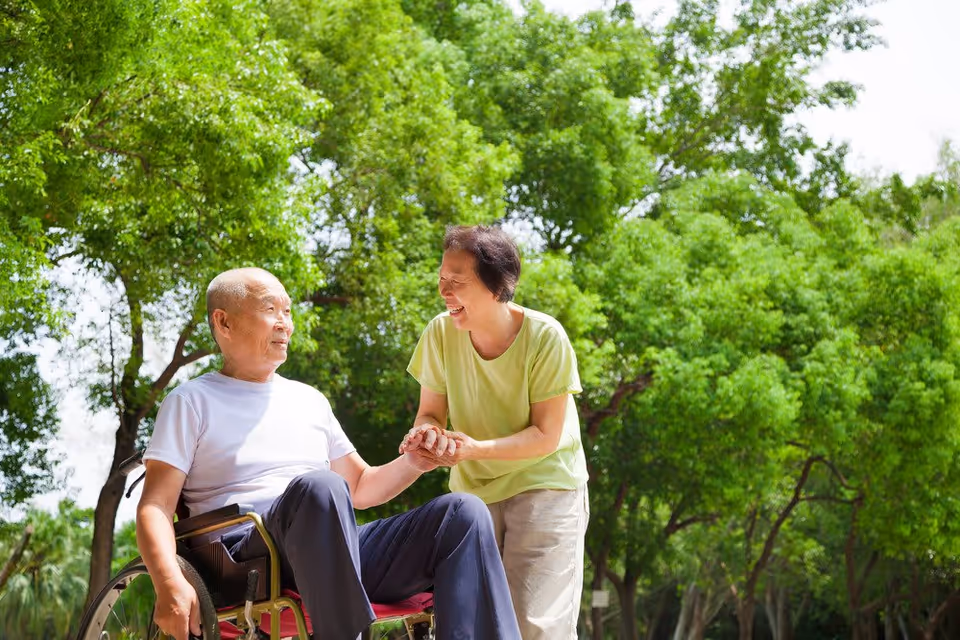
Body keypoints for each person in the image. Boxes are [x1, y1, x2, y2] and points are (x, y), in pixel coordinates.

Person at [136, 267, 521, 640]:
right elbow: (155, 505)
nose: (285, 323)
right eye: (271, 310)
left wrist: (415, 462)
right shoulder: (190, 401)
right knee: (320, 488)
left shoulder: (309, 400)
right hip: (246, 559)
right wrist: (168, 581)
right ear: (224, 322)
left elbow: (360, 487)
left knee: (462, 514)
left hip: (334, 548)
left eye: (288, 312)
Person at [402, 225, 590, 640]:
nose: (444, 291)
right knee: (475, 626)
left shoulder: (545, 338)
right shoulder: (439, 333)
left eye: (458, 282)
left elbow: (546, 435)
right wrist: (428, 437)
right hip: (474, 497)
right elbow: (429, 413)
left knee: (536, 626)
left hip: (546, 485)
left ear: (497, 287)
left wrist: (472, 450)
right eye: (441, 279)